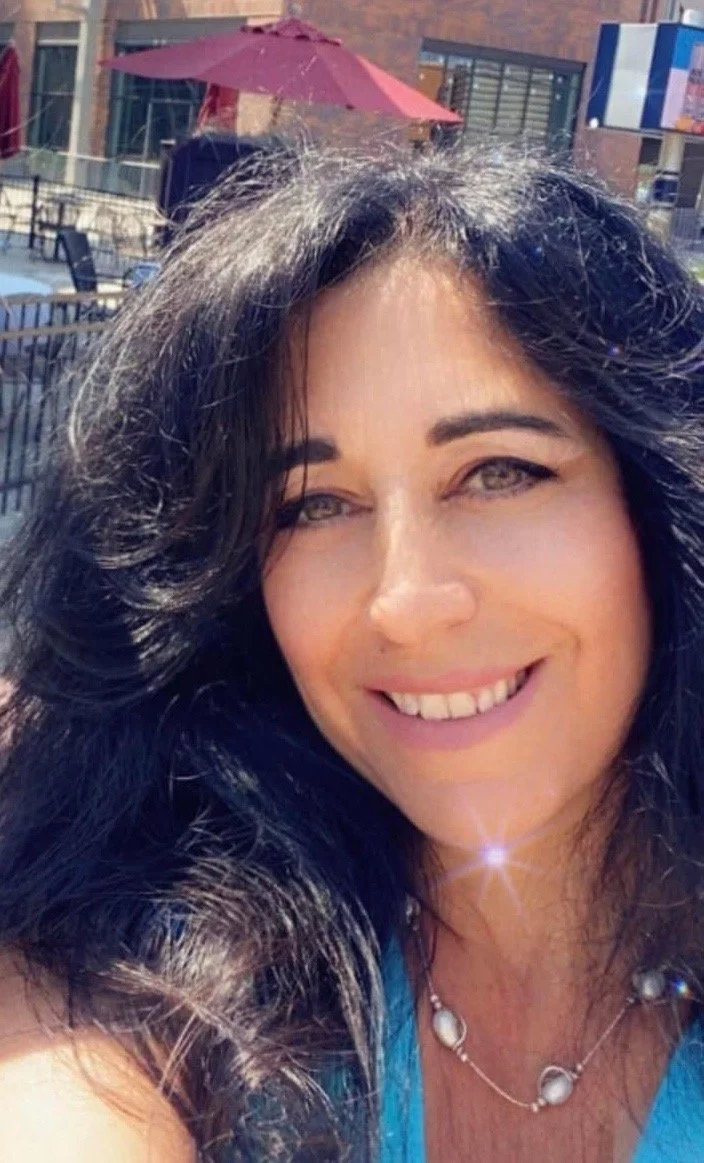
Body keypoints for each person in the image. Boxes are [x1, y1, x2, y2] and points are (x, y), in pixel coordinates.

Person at [0, 138, 701, 1163]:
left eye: (499, 471)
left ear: (657, 505)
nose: (405, 602)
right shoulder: (162, 975)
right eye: (313, 504)